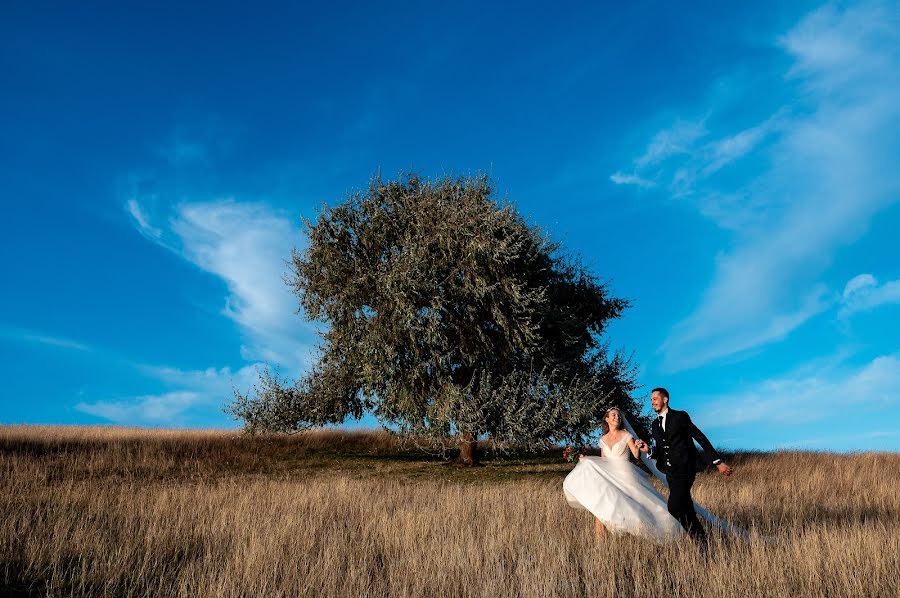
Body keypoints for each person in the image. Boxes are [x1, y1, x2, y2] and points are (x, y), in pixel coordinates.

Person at [563, 408, 683, 543]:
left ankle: (665, 528)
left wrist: (637, 447)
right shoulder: (603, 439)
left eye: (619, 416)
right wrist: (585, 460)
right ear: (607, 419)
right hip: (610, 477)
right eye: (613, 415)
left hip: (626, 474)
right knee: (600, 510)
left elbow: (636, 455)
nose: (617, 418)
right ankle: (600, 548)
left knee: (642, 504)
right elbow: (603, 460)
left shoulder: (626, 435)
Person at [636, 388, 732, 548]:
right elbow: (661, 450)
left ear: (665, 399)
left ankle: (701, 541)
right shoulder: (655, 425)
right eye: (651, 399)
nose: (652, 402)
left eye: (655, 398)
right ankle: (705, 546)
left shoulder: (680, 416)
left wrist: (717, 462)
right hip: (669, 473)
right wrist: (649, 451)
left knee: (674, 507)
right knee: (686, 509)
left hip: (685, 469)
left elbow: (699, 437)